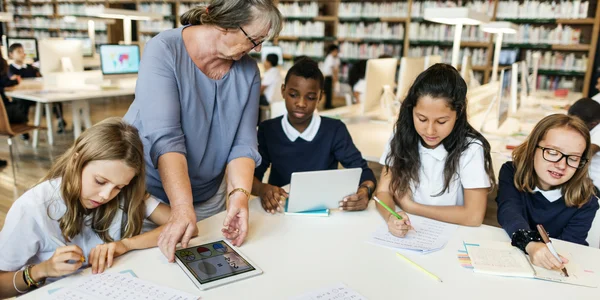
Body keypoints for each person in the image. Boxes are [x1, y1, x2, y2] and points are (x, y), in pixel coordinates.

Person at [123, 0, 283, 262]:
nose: (259, 48)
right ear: (225, 24)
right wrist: (182, 208)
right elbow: (166, 140)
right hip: (150, 196)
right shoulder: (163, 50)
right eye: (254, 39)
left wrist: (239, 197)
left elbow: (243, 145)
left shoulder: (248, 71)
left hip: (209, 196)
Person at [0, 118, 171, 298]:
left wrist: (126, 244)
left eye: (119, 186)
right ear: (77, 161)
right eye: (100, 181)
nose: (106, 195)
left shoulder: (126, 193)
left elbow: (182, 226)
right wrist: (42, 270)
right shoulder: (32, 208)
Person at [376, 64, 496, 237]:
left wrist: (411, 207)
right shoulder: (401, 135)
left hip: (451, 235)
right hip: (409, 231)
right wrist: (390, 217)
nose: (430, 131)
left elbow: (474, 216)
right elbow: (383, 191)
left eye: (441, 122)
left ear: (459, 112)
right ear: (411, 110)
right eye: (422, 119)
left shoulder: (470, 148)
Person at [252, 59, 376, 213]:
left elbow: (364, 172)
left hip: (324, 210)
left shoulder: (334, 130)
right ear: (283, 91)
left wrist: (365, 191)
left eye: (310, 97)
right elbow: (251, 178)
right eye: (293, 95)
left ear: (320, 97)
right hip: (280, 211)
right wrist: (262, 188)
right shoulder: (268, 130)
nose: (301, 103)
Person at [496, 114, 599, 271]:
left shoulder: (586, 200)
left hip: (555, 269)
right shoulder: (511, 172)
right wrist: (530, 244)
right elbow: (509, 211)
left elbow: (568, 249)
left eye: (573, 158)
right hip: (516, 260)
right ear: (533, 148)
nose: (561, 165)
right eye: (553, 152)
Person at [8, 43, 67, 134]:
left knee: (56, 99)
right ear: (11, 54)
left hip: (37, 92)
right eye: (19, 52)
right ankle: (24, 127)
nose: (22, 54)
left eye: (23, 51)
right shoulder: (9, 69)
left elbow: (40, 79)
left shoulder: (30, 68)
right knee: (22, 103)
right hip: (22, 95)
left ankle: (60, 120)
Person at [568, 98, 600, 188]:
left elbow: (584, 154)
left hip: (594, 183)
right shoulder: (592, 124)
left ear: (593, 124)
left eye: (577, 124)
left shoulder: (598, 133)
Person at [322, 44, 340, 109]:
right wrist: (335, 78)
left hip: (330, 77)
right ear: (333, 51)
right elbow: (333, 69)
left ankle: (328, 105)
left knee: (329, 92)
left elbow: (336, 68)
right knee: (328, 92)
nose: (337, 53)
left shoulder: (335, 58)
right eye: (336, 51)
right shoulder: (330, 58)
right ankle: (327, 105)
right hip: (327, 77)